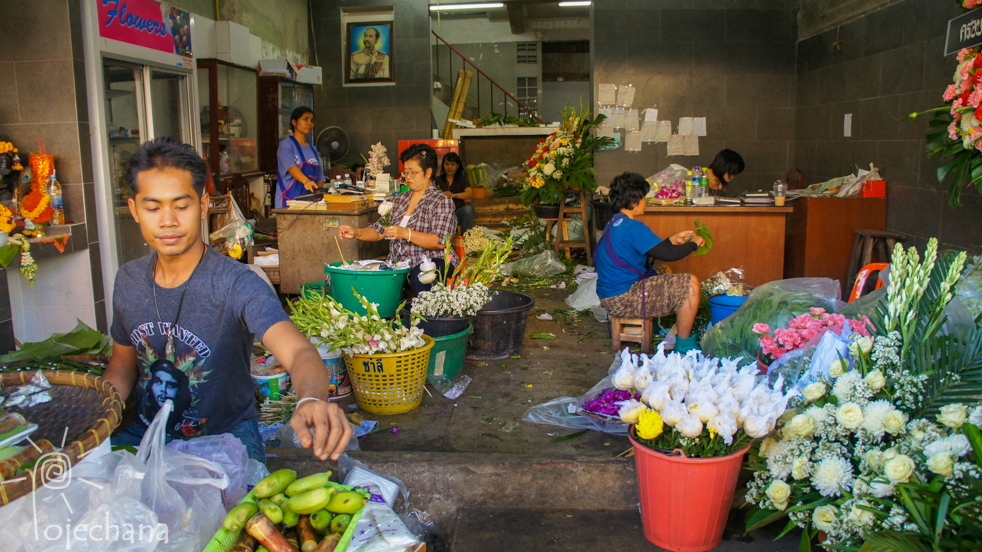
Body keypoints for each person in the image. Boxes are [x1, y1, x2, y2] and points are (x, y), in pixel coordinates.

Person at [106, 137, 352, 463]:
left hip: (226, 440)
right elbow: (123, 364)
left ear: (204, 204)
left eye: (181, 206)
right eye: (153, 208)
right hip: (144, 436)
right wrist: (99, 410)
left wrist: (309, 400)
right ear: (134, 209)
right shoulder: (128, 280)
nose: (168, 221)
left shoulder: (237, 284)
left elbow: (299, 352)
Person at [594, 172, 706, 354]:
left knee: (663, 270)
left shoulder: (615, 223)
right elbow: (668, 254)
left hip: (610, 295)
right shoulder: (633, 226)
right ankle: (685, 344)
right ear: (633, 201)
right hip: (623, 299)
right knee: (691, 284)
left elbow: (652, 250)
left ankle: (649, 327)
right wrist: (693, 244)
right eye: (644, 198)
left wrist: (670, 240)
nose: (645, 202)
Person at [338, 143, 458, 293]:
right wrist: (356, 233)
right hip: (398, 266)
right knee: (367, 279)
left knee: (424, 278)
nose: (408, 177)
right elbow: (378, 231)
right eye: (406, 172)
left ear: (428, 172)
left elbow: (440, 241)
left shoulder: (441, 201)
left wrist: (405, 233)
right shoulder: (399, 200)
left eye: (413, 172)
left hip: (430, 263)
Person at [276, 107, 324, 209]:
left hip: (310, 203)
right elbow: (292, 167)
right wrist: (306, 181)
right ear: (294, 122)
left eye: (311, 121)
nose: (309, 123)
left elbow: (320, 178)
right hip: (288, 200)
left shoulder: (313, 150)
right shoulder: (286, 145)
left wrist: (319, 197)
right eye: (305, 119)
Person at [434, 152, 475, 234]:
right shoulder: (437, 180)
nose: (449, 167)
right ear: (443, 165)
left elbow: (470, 193)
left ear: (457, 166)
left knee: (468, 210)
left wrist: (453, 195)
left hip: (457, 213)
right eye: (447, 164)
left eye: (452, 164)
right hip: (442, 214)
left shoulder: (462, 179)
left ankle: (465, 239)